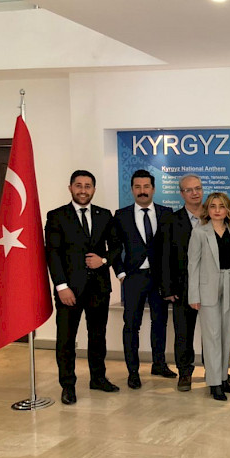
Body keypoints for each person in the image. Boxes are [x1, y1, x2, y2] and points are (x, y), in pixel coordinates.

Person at [45, 170, 121, 404]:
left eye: (88, 186)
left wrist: (104, 260)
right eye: (78, 185)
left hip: (99, 288)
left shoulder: (104, 215)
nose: (83, 190)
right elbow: (52, 254)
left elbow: (117, 246)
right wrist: (61, 286)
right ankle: (67, 385)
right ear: (70, 188)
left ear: (94, 190)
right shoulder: (57, 216)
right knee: (66, 339)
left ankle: (98, 378)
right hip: (69, 290)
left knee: (97, 336)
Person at [111, 169, 175, 389]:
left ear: (153, 189)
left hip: (159, 278)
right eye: (137, 187)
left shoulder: (167, 213)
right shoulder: (121, 215)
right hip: (133, 277)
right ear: (132, 189)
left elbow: (172, 248)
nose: (142, 191)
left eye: (146, 186)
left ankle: (159, 363)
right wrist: (121, 274)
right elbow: (114, 247)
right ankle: (133, 372)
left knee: (160, 322)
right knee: (131, 325)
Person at [187, 192, 230, 401]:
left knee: (226, 334)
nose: (217, 210)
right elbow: (193, 265)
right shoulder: (199, 232)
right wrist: (194, 295)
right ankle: (214, 382)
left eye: (222, 206)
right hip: (207, 289)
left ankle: (223, 377)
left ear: (228, 210)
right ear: (207, 210)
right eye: (213, 206)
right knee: (212, 336)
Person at [159, 174, 205, 391]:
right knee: (183, 333)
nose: (195, 193)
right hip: (182, 287)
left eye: (198, 188)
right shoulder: (171, 220)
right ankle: (185, 373)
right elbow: (164, 256)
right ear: (181, 193)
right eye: (189, 190)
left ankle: (215, 371)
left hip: (211, 286)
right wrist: (167, 288)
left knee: (213, 332)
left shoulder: (215, 216)